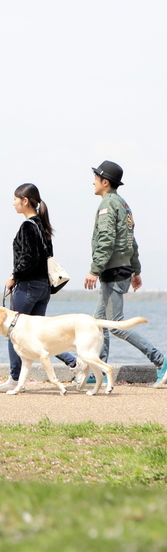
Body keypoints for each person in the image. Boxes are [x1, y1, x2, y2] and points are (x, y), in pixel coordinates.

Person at [0, 183, 89, 393]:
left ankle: (15, 379)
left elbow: (28, 259)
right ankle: (75, 364)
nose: (13, 202)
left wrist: (13, 276)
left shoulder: (27, 226)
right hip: (44, 288)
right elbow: (44, 258)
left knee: (13, 331)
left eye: (16, 199)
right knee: (40, 336)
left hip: (27, 288)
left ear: (25, 201)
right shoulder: (43, 227)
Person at [84, 161, 167, 387]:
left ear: (105, 182)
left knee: (115, 325)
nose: (93, 181)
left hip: (113, 272)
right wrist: (136, 270)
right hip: (122, 270)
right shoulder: (123, 204)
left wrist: (94, 269)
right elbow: (131, 241)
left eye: (96, 177)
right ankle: (99, 371)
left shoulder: (108, 205)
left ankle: (161, 360)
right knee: (98, 323)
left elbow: (107, 240)